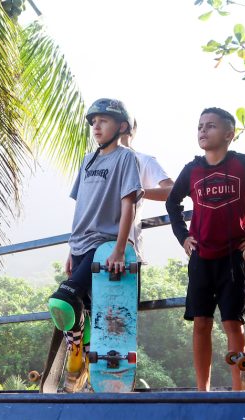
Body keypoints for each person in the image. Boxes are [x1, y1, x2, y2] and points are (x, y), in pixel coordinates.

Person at [166, 107, 245, 391]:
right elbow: (172, 204)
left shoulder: (244, 164)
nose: (203, 131)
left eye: (211, 126)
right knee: (201, 322)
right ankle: (201, 390)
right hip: (201, 256)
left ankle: (239, 389)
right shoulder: (192, 169)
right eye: (200, 126)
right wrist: (183, 237)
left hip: (235, 258)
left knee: (233, 323)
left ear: (229, 134)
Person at [47, 98, 143, 393]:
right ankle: (86, 356)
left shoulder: (126, 158)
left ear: (121, 126)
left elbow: (129, 206)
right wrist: (70, 249)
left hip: (103, 245)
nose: (96, 126)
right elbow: (81, 210)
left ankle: (77, 353)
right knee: (86, 308)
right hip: (79, 246)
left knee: (62, 300)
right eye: (93, 121)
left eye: (103, 120)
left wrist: (120, 247)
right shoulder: (87, 161)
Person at [120, 119, 174, 261]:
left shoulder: (144, 160)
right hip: (92, 247)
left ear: (125, 126)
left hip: (128, 249)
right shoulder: (95, 162)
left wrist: (137, 192)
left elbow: (172, 190)